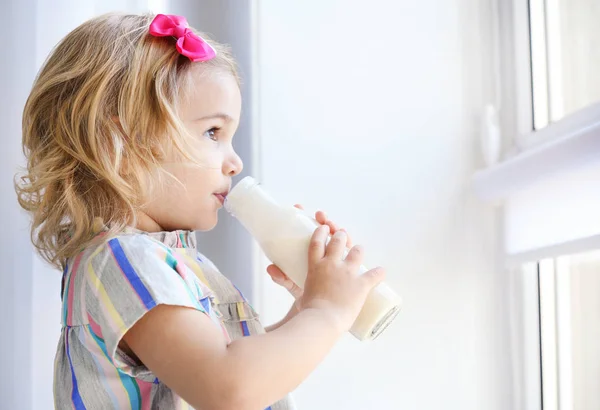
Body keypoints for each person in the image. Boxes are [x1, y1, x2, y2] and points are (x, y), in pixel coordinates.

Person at [16, 12, 385, 409]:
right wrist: (326, 312)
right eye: (213, 133)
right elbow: (227, 388)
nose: (235, 162)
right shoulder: (124, 262)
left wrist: (305, 310)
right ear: (119, 144)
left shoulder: (161, 260)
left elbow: (218, 368)